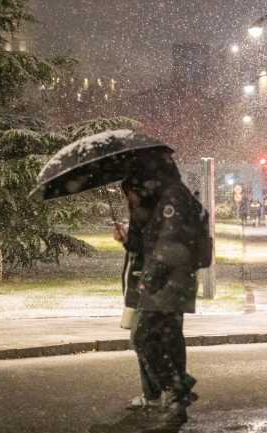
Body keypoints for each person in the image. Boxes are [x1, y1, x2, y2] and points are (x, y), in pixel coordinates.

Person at [125, 152, 199, 429]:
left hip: (170, 282)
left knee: (143, 337)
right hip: (173, 282)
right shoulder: (170, 195)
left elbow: (170, 242)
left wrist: (151, 278)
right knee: (166, 341)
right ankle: (177, 401)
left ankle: (179, 389)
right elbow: (155, 240)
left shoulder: (173, 197)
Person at [113, 179, 162, 411]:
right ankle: (154, 392)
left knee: (141, 341)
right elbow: (139, 249)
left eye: (129, 193)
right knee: (141, 341)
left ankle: (156, 393)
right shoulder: (141, 216)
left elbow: (149, 252)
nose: (127, 198)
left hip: (144, 290)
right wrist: (126, 240)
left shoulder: (147, 216)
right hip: (136, 291)